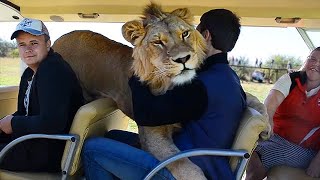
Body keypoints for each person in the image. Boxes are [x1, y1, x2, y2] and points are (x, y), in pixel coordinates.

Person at [82, 9, 247, 180]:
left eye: (188, 34)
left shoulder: (201, 86)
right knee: (112, 136)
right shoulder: (228, 77)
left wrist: (139, 71)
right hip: (204, 159)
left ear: (204, 36)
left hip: (183, 168)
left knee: (92, 148)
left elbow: (146, 115)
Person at [0, 18, 84, 172]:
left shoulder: (52, 70)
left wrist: (12, 123)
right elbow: (25, 113)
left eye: (34, 43)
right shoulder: (29, 73)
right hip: (34, 143)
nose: (28, 49)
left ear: (48, 44)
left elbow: (52, 123)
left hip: (48, 153)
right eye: (22, 44)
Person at [245, 47, 320, 179]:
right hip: (274, 138)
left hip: (305, 149)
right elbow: (270, 104)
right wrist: (268, 120)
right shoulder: (290, 80)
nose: (316, 64)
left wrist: (318, 160)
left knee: (267, 154)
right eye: (312, 59)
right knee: (250, 147)